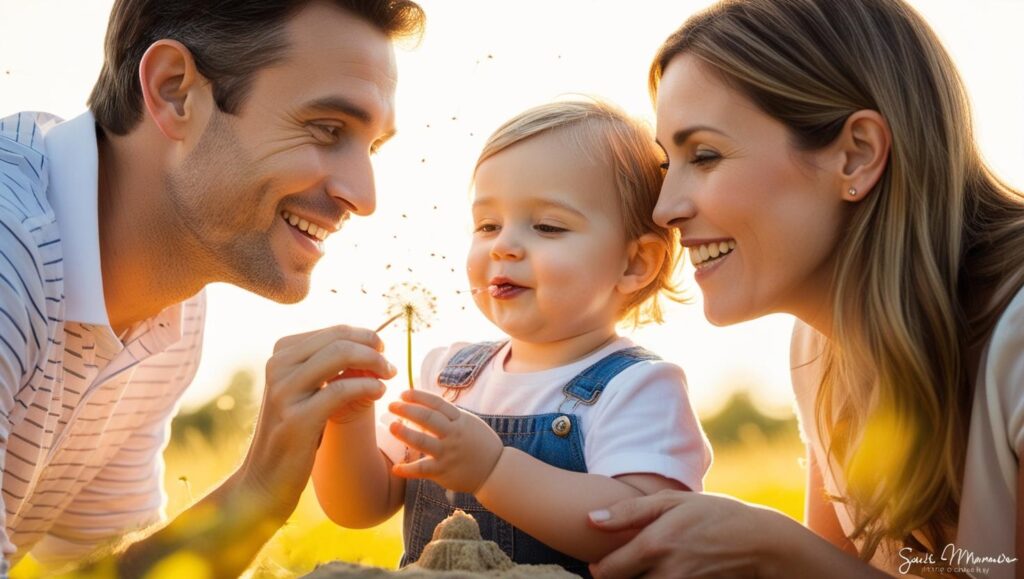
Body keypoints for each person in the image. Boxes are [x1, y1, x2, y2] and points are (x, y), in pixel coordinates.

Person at [585, 0, 1024, 577]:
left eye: (706, 155)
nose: (664, 209)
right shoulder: (819, 349)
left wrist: (779, 550)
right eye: (669, 164)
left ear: (856, 155)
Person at [0, 0, 425, 576]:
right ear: (175, 91)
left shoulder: (170, 309)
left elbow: (92, 574)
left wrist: (257, 492)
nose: (364, 196)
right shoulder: (12, 244)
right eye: (328, 129)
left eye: (370, 148)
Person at [312, 100, 712, 577]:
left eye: (547, 226)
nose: (503, 245)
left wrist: (493, 470)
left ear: (634, 264)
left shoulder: (640, 388)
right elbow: (358, 507)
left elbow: (635, 528)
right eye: (487, 225)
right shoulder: (447, 375)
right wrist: (348, 420)